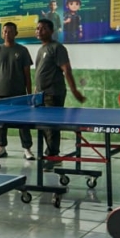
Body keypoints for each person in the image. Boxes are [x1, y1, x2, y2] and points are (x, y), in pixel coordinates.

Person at [33, 18, 86, 169]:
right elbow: (40, 72)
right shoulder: (41, 49)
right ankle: (50, 153)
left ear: (51, 31)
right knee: (44, 127)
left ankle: (53, 156)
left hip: (53, 93)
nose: (39, 31)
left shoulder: (57, 48)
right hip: (41, 95)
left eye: (43, 28)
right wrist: (36, 91)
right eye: (38, 28)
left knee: (52, 127)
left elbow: (66, 69)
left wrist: (74, 90)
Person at [0, 22, 35, 160]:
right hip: (1, 93)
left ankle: (27, 149)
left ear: (16, 33)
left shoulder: (23, 50)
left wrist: (29, 95)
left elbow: (27, 75)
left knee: (23, 123)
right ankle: (1, 148)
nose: (7, 34)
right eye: (5, 31)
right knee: (1, 123)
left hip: (19, 94)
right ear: (2, 33)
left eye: (10, 31)